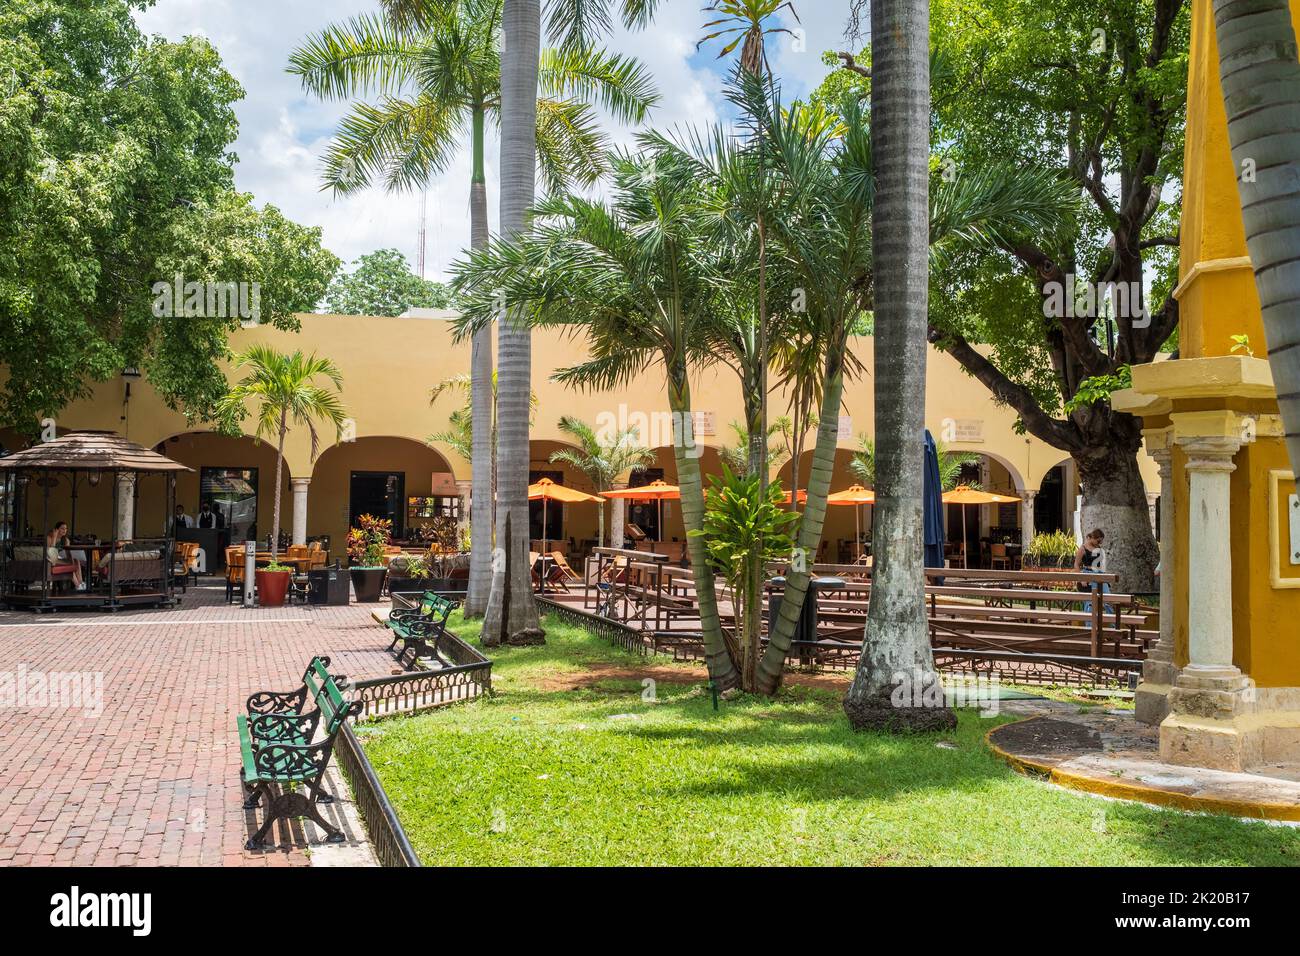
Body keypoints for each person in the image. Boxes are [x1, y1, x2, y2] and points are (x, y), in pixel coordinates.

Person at [1075, 528, 1112, 614]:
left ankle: (1113, 626)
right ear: (1092, 538)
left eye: (1100, 542)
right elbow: (1076, 564)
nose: (1099, 544)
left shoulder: (1098, 548)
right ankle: (1089, 626)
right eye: (1098, 541)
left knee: (1108, 600)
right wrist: (1081, 579)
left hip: (1099, 574)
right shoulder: (1083, 548)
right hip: (1088, 573)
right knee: (1090, 603)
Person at [46, 521, 84, 590]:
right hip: (51, 559)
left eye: (66, 529)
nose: (64, 530)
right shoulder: (49, 537)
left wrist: (71, 561)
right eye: (62, 528)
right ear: (56, 529)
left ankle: (80, 583)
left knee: (76, 561)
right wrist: (54, 537)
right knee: (70, 566)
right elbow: (51, 552)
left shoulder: (66, 540)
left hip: (60, 558)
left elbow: (68, 553)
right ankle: (78, 585)